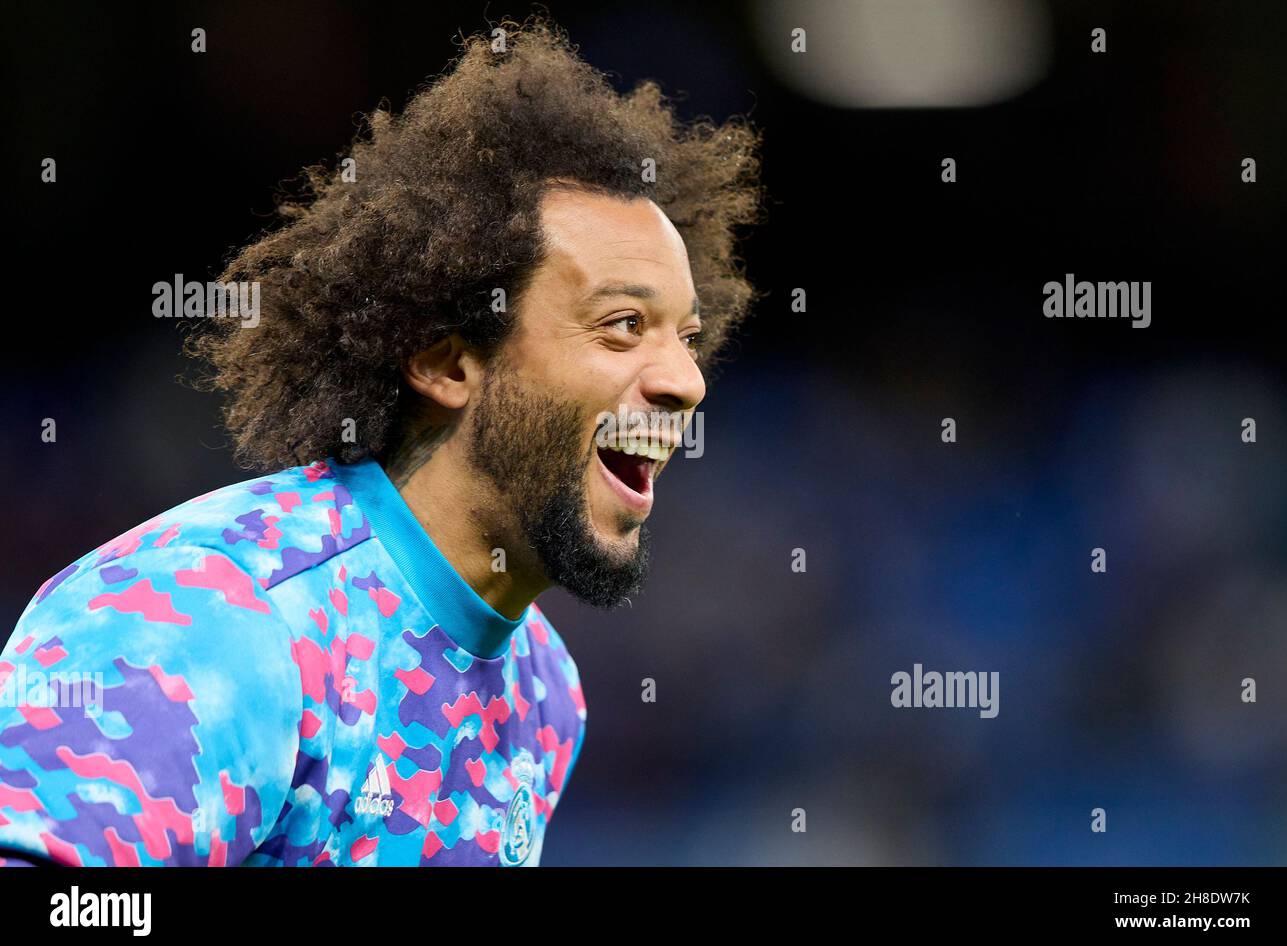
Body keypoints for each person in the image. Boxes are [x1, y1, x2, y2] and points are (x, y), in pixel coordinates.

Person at [0, 15, 762, 866]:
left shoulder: (545, 696)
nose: (686, 381)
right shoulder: (213, 618)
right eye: (623, 326)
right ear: (447, 362)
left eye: (687, 338)